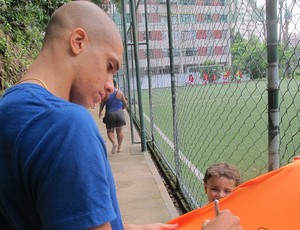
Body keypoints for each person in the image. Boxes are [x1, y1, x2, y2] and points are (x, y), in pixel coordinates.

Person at [0, 2, 177, 229]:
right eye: (109, 66)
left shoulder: (9, 107)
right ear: (78, 42)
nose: (111, 86)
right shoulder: (67, 126)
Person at [99, 79, 128, 154]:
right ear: (116, 85)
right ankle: (119, 147)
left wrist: (100, 112)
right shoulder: (119, 92)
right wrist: (123, 107)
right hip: (119, 113)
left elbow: (102, 104)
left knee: (110, 131)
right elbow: (125, 103)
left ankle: (114, 143)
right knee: (119, 131)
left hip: (110, 114)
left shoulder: (105, 94)